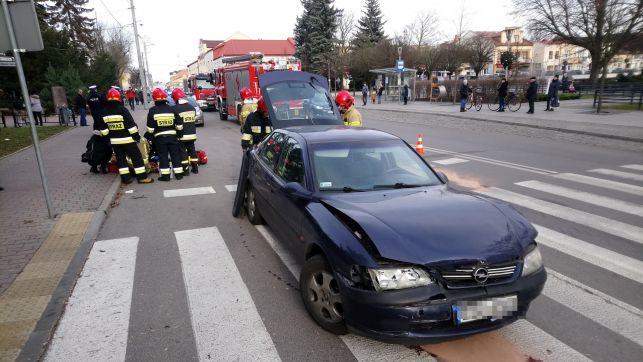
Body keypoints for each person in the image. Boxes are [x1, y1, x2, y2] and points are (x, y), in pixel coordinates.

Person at [95, 88, 153, 184]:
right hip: (128, 140)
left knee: (121, 160)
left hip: (115, 141)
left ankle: (126, 179)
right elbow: (131, 126)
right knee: (137, 158)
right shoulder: (122, 110)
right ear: (119, 98)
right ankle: (142, 177)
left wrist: (108, 138)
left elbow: (103, 130)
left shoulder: (104, 111)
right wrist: (137, 137)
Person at [145, 88, 184, 181]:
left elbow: (150, 128)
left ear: (154, 99)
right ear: (165, 98)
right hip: (172, 137)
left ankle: (165, 176)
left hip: (160, 138)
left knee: (163, 156)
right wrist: (179, 134)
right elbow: (179, 124)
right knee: (175, 155)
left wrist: (150, 137)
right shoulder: (172, 109)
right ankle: (179, 175)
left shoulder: (152, 111)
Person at [171, 88, 199, 175]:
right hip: (192, 134)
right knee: (192, 151)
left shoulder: (175, 109)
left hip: (182, 135)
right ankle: (195, 168)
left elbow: (175, 123)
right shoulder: (192, 108)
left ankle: (186, 170)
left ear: (175, 98)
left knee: (183, 152)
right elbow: (193, 120)